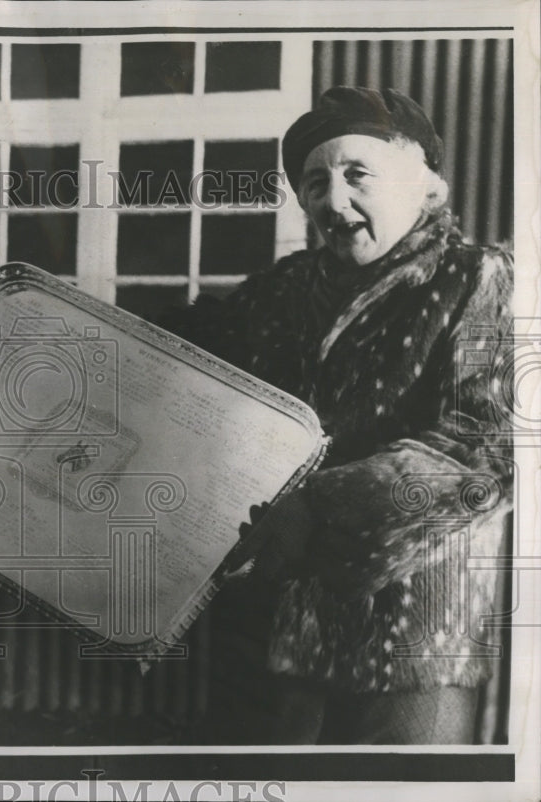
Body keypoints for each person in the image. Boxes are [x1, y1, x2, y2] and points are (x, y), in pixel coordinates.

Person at [161, 87, 514, 744]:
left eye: (357, 175)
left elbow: (486, 447)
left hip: (418, 632)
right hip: (302, 624)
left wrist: (316, 505)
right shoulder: (291, 289)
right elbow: (180, 343)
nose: (333, 199)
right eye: (315, 182)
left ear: (424, 188)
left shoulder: (477, 276)